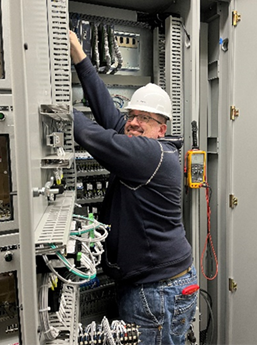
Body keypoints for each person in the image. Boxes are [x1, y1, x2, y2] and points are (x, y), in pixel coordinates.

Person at [70, 30, 198, 345]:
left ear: (162, 128)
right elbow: (108, 115)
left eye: (145, 118)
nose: (134, 122)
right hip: (162, 284)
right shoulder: (151, 145)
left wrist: (47, 100)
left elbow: (90, 134)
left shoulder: (150, 154)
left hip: (155, 291)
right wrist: (80, 58)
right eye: (132, 115)